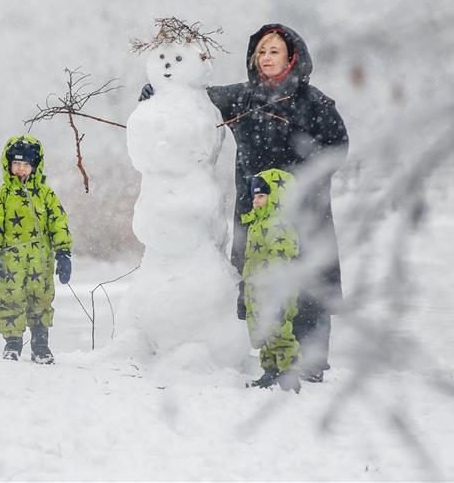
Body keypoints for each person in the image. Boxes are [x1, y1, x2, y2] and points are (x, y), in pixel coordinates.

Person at [139, 23, 348, 382]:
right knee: (261, 281)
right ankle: (274, 359)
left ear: (292, 57)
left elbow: (337, 146)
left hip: (304, 209)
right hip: (256, 209)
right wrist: (162, 90)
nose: (266, 58)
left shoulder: (314, 103)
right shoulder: (242, 98)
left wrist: (300, 176)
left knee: (307, 280)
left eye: (274, 52)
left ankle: (311, 364)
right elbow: (197, 97)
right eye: (261, 52)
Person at [0, 135, 73, 364]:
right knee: (10, 299)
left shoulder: (46, 195)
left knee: (41, 301)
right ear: (8, 165)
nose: (20, 170)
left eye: (25, 165)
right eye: (16, 164)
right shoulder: (1, 196)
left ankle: (40, 345)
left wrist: (63, 253)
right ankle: (12, 343)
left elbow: (58, 223)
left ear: (35, 166)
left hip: (40, 262)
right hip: (10, 261)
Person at [241, 170, 301, 393]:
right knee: (266, 332)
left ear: (277, 196)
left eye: (261, 196)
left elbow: (282, 259)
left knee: (280, 331)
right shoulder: (259, 223)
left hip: (275, 289)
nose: (255, 201)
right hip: (258, 290)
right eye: (254, 197)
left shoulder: (278, 225)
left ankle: (289, 373)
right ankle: (271, 370)